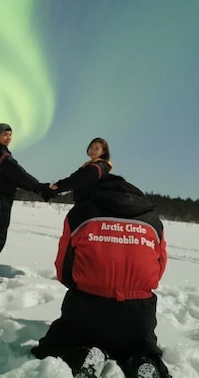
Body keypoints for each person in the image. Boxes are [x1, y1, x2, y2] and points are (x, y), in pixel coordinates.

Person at [31, 139, 171, 378]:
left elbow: (64, 268)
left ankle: (86, 354)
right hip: (139, 314)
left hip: (88, 306)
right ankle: (142, 362)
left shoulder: (81, 213)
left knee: (61, 344)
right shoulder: (152, 219)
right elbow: (159, 268)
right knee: (140, 347)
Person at [0, 123, 52, 282]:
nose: (8, 138)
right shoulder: (0, 155)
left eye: (10, 135)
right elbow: (19, 174)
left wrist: (38, 189)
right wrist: (39, 187)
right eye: (5, 135)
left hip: (0, 198)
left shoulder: (1, 153)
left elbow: (16, 179)